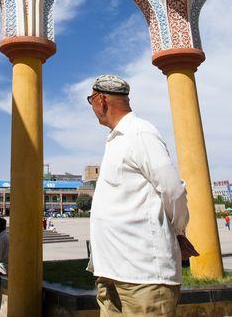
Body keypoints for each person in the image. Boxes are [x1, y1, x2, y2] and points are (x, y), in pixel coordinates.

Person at [86, 74, 190, 315]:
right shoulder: (116, 140)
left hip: (144, 277)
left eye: (90, 100)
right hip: (112, 273)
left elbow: (173, 190)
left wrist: (178, 231)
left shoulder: (140, 133)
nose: (92, 107)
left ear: (101, 100)